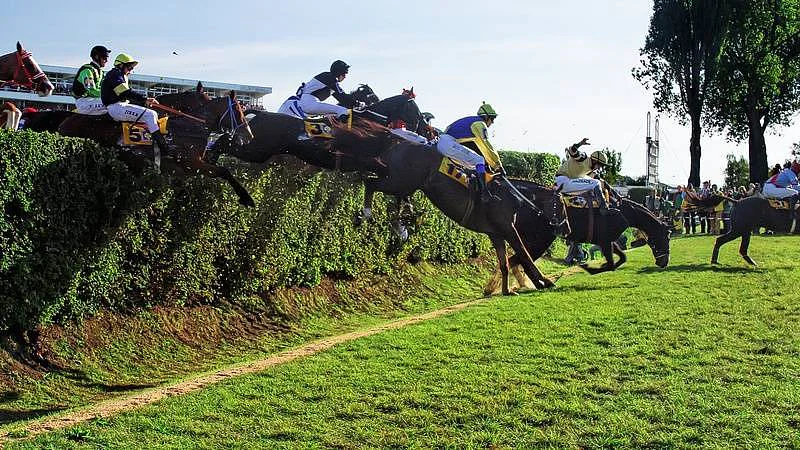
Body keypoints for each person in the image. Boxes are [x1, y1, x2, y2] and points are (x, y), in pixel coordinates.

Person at [100, 53, 167, 153]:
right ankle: (164, 147)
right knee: (150, 114)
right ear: (121, 65)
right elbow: (125, 92)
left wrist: (143, 102)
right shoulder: (115, 74)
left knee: (149, 114)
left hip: (119, 106)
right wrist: (145, 99)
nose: (131, 70)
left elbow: (126, 95)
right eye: (129, 67)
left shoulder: (118, 74)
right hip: (116, 108)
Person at [444, 102, 505, 202]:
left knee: (474, 163)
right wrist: (498, 165)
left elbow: (476, 147)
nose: (492, 122)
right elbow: (486, 146)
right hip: (448, 143)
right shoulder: (480, 124)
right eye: (492, 119)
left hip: (448, 142)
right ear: (486, 117)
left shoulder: (472, 121)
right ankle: (484, 192)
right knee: (479, 160)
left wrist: (490, 165)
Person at [277, 60, 362, 120]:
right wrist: (358, 104)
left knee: (334, 112)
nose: (345, 77)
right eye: (344, 74)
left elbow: (340, 98)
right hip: (309, 103)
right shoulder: (330, 78)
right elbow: (342, 97)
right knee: (342, 110)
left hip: (305, 102)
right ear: (339, 72)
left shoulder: (327, 79)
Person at [553, 138, 616, 215]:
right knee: (596, 183)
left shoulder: (590, 169)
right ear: (594, 161)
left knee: (598, 182)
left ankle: (595, 204)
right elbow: (572, 150)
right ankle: (603, 208)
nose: (600, 168)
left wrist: (616, 194)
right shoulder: (583, 158)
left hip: (568, 182)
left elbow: (602, 181)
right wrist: (580, 144)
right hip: (562, 181)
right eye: (600, 165)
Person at [73, 45, 110, 115]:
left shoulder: (101, 72)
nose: (106, 60)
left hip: (93, 100)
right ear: (97, 57)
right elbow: (91, 90)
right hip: (84, 101)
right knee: (112, 103)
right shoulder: (87, 70)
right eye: (104, 58)